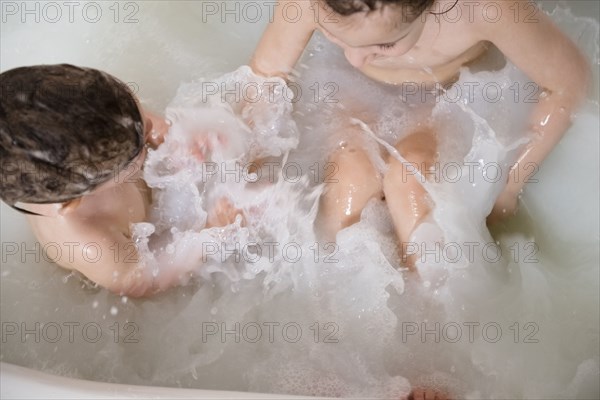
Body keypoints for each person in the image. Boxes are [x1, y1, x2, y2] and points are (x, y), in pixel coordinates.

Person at [249, 0, 589, 267]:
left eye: (384, 44)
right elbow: (264, 82)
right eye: (334, 35)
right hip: (351, 96)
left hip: (453, 95)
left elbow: (568, 84)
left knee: (413, 182)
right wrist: (250, 165)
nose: (354, 58)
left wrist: (508, 185)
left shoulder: (483, 7)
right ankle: (336, 327)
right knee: (349, 183)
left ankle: (434, 328)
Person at [0, 64, 239, 297]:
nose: (147, 129)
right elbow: (146, 280)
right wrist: (209, 237)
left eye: (142, 121)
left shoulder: (100, 110)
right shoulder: (91, 245)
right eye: (140, 143)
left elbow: (135, 122)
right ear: (73, 202)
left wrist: (174, 138)